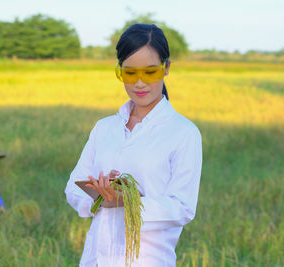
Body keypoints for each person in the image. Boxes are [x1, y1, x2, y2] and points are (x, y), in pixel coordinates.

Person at [65, 23, 202, 267]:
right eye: (129, 73)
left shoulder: (183, 132)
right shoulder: (104, 128)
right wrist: (102, 195)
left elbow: (182, 207)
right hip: (96, 260)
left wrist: (129, 200)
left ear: (166, 68)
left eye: (150, 72)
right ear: (119, 71)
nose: (139, 83)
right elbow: (73, 190)